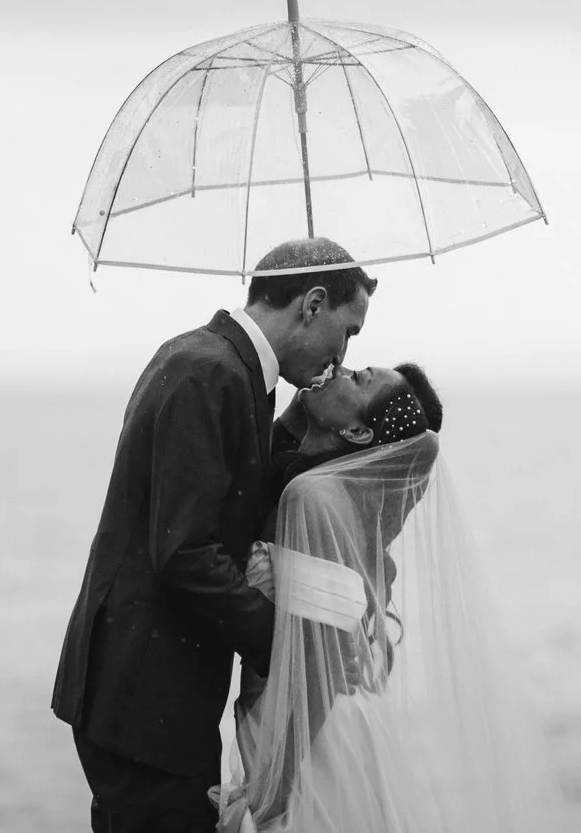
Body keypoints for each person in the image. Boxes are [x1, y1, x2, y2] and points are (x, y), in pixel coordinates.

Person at [53, 237, 377, 833]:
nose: (343, 353)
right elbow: (185, 554)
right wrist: (288, 649)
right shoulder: (207, 372)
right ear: (312, 304)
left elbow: (234, 505)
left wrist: (307, 434)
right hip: (142, 698)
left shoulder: (233, 372)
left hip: (159, 694)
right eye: (348, 330)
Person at [218, 364, 566, 833]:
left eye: (359, 378)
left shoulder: (313, 499)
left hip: (306, 739)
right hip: (294, 724)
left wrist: (269, 795)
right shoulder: (327, 494)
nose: (339, 369)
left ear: (360, 431)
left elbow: (324, 665)